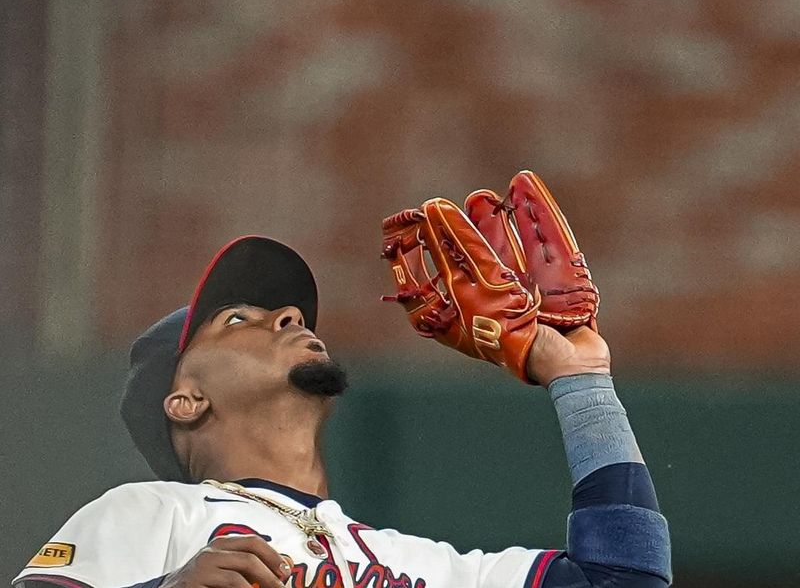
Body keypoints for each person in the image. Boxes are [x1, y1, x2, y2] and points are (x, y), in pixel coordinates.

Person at [13, 235, 671, 588]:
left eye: (288, 310)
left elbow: (624, 579)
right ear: (186, 400)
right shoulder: (153, 513)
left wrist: (580, 381)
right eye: (238, 318)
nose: (291, 315)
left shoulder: (423, 564)